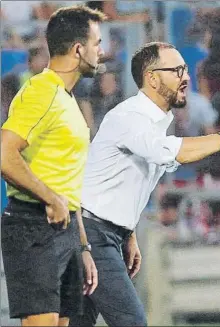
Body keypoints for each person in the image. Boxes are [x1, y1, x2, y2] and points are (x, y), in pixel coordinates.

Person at [68, 41, 220, 327]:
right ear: (152, 77)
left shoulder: (154, 121)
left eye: (185, 69)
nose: (186, 77)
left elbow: (124, 181)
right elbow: (173, 152)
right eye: (176, 70)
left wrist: (128, 232)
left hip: (102, 232)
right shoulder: (131, 116)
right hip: (91, 234)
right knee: (132, 322)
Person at [1, 5, 106, 327]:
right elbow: (4, 154)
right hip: (34, 224)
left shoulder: (67, 98)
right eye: (97, 43)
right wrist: (50, 198)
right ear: (78, 49)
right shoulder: (40, 91)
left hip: (66, 229)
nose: (101, 51)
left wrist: (83, 245)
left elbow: (68, 181)